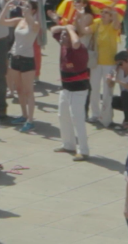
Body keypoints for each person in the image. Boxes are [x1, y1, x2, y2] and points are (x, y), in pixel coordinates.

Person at [52, 22, 90, 160]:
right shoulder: (64, 44)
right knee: (63, 116)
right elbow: (52, 30)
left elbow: (76, 42)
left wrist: (71, 30)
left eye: (64, 35)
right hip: (66, 88)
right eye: (61, 35)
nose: (60, 37)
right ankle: (68, 145)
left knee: (77, 119)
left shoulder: (79, 49)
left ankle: (83, 150)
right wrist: (65, 27)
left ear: (72, 36)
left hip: (79, 90)